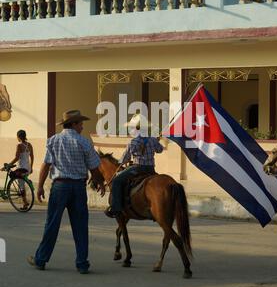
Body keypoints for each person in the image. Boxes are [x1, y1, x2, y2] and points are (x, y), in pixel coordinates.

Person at [27, 110, 105, 274]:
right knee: (80, 226)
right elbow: (94, 168)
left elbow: (46, 165)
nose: (82, 126)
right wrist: (100, 183)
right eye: (81, 123)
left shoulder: (54, 140)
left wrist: (40, 186)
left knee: (52, 224)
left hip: (60, 186)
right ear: (74, 124)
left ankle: (41, 259)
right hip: (78, 187)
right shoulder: (84, 143)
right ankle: (82, 263)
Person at [105, 114, 163, 218]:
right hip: (150, 169)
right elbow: (160, 150)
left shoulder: (133, 142)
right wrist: (156, 141)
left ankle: (116, 208)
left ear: (137, 128)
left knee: (117, 181)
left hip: (137, 169)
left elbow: (124, 160)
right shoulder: (152, 140)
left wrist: (120, 162)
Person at [1, 130, 34, 210]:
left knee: (18, 183)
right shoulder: (29, 145)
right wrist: (31, 167)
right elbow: (32, 156)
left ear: (18, 137)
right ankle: (25, 201)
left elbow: (16, 157)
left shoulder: (19, 145)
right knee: (21, 184)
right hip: (27, 168)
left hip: (21, 168)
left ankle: (25, 203)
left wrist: (8, 165)